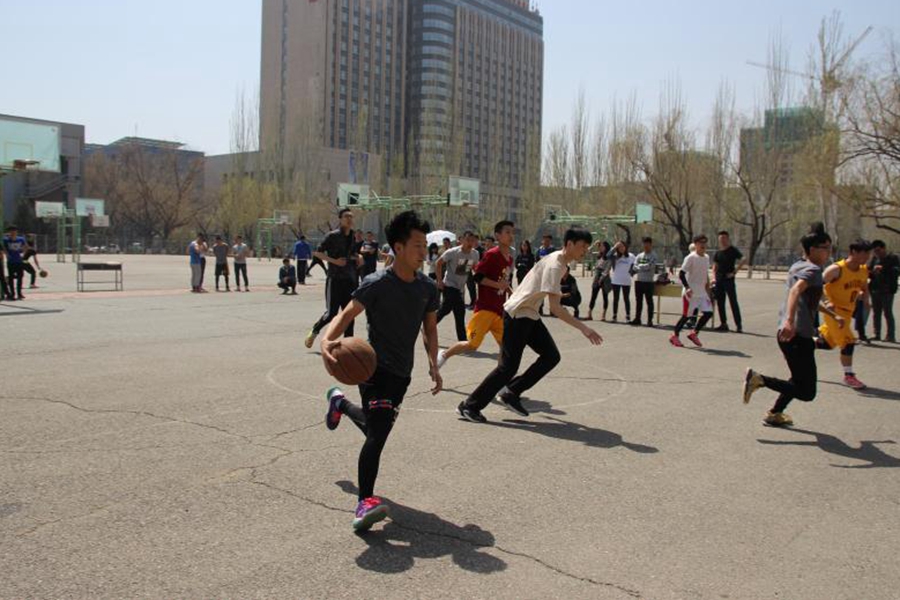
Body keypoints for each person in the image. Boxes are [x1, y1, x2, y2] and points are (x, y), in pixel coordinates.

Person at [320, 210, 441, 531]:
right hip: (373, 370)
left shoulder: (427, 288)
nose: (423, 252)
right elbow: (346, 315)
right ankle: (365, 502)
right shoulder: (376, 284)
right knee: (378, 434)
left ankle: (339, 403)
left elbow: (430, 328)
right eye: (417, 245)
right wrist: (327, 341)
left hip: (402, 374)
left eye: (425, 246)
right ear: (398, 247)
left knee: (376, 427)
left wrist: (434, 364)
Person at [456, 228, 603, 423]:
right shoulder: (556, 265)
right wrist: (584, 328)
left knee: (551, 356)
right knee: (508, 368)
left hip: (529, 313)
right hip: (518, 314)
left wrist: (559, 294)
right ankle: (469, 406)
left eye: (587, 247)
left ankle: (511, 392)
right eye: (582, 246)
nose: (585, 250)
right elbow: (555, 308)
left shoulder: (559, 262)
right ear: (569, 244)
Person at [742, 223, 839, 427]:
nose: (829, 252)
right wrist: (790, 321)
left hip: (788, 334)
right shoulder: (813, 270)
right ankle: (759, 379)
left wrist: (832, 314)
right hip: (797, 335)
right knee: (807, 392)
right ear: (812, 249)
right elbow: (796, 291)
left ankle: (775, 413)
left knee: (797, 379)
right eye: (826, 248)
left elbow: (808, 301)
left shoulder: (797, 265)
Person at [436, 221, 514, 369]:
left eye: (512, 232)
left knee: (507, 346)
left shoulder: (507, 258)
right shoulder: (491, 254)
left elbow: (502, 281)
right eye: (507, 232)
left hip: (498, 310)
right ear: (497, 235)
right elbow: (478, 277)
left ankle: (502, 376)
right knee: (471, 344)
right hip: (484, 308)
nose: (511, 235)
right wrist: (439, 281)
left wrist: (512, 293)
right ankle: (444, 354)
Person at [817, 239, 872, 390]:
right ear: (853, 252)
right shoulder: (836, 269)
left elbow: (864, 287)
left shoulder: (863, 270)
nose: (867, 257)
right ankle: (849, 376)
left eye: (869, 253)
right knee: (848, 342)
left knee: (827, 343)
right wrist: (826, 301)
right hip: (834, 312)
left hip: (848, 312)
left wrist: (866, 299)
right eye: (864, 253)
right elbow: (816, 285)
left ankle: (798, 345)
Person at [304, 208, 360, 348]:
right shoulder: (332, 236)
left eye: (351, 216)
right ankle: (314, 330)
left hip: (350, 279)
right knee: (331, 314)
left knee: (349, 314)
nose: (349, 219)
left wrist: (359, 257)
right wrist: (334, 261)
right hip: (335, 279)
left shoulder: (352, 236)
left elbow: (353, 254)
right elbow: (317, 253)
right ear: (340, 219)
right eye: (346, 216)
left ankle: (348, 345)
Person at [669, 235, 714, 347]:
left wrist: (708, 289)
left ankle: (694, 333)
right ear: (696, 244)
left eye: (705, 242)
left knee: (709, 313)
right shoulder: (691, 258)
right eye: (700, 242)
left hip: (702, 293)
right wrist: (687, 287)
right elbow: (681, 274)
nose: (703, 245)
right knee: (686, 316)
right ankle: (674, 335)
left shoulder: (706, 257)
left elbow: (705, 274)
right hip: (690, 293)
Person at [435, 231, 479, 342]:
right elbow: (438, 263)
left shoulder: (475, 254)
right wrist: (439, 281)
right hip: (449, 285)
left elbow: (471, 268)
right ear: (462, 240)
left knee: (451, 310)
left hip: (459, 288)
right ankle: (463, 340)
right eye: (467, 240)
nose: (470, 243)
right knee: (457, 310)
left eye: (472, 241)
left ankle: (429, 323)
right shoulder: (453, 252)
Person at [712, 231, 745, 333]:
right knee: (720, 302)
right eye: (721, 238)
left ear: (727, 239)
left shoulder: (732, 250)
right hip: (719, 279)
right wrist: (714, 277)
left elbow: (743, 259)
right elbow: (715, 266)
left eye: (724, 238)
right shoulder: (718, 252)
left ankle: (738, 325)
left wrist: (734, 272)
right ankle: (723, 323)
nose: (722, 240)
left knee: (733, 301)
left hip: (728, 279)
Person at [868, 240, 899, 342]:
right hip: (875, 289)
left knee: (887, 312)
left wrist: (883, 268)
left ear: (884, 248)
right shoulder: (874, 259)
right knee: (876, 313)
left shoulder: (893, 258)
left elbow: (896, 272)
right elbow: (869, 272)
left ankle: (890, 335)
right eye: (875, 251)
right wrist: (872, 271)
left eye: (878, 250)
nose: (877, 253)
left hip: (887, 290)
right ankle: (876, 334)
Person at [631, 237, 658, 326]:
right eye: (644, 244)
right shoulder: (639, 255)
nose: (646, 246)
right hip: (639, 281)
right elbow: (634, 266)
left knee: (649, 301)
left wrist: (640, 267)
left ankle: (650, 320)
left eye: (647, 244)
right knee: (638, 301)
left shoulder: (653, 255)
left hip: (648, 282)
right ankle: (637, 318)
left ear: (650, 244)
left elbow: (650, 266)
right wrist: (641, 267)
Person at [608, 241, 635, 322]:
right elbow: (607, 255)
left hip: (626, 280)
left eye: (622, 246)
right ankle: (614, 316)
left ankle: (628, 316)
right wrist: (614, 246)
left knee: (626, 298)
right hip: (616, 280)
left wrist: (632, 273)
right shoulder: (615, 256)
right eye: (619, 247)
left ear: (625, 247)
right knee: (616, 299)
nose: (621, 248)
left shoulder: (631, 256)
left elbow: (634, 265)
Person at [587, 241, 612, 321]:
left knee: (605, 296)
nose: (600, 248)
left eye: (602, 246)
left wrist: (601, 278)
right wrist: (594, 244)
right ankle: (589, 313)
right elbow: (588, 251)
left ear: (606, 247)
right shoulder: (598, 255)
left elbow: (607, 269)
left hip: (605, 277)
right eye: (600, 246)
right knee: (593, 295)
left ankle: (603, 315)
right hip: (597, 275)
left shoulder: (609, 257)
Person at [2, 225, 27, 301]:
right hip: (11, 261)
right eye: (11, 231)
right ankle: (12, 293)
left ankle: (19, 293)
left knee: (20, 277)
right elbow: (4, 248)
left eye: (14, 231)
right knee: (11, 278)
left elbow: (25, 246)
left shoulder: (21, 239)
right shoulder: (6, 240)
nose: (13, 232)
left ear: (16, 232)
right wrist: (7, 254)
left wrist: (23, 254)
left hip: (19, 261)